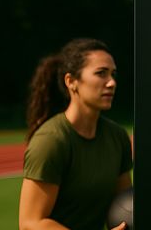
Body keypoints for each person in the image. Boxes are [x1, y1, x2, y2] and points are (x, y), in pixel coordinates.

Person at [19, 38, 132, 230]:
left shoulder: (117, 137)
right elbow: (31, 222)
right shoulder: (51, 141)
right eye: (101, 74)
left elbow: (125, 206)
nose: (112, 83)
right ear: (71, 82)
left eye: (113, 74)